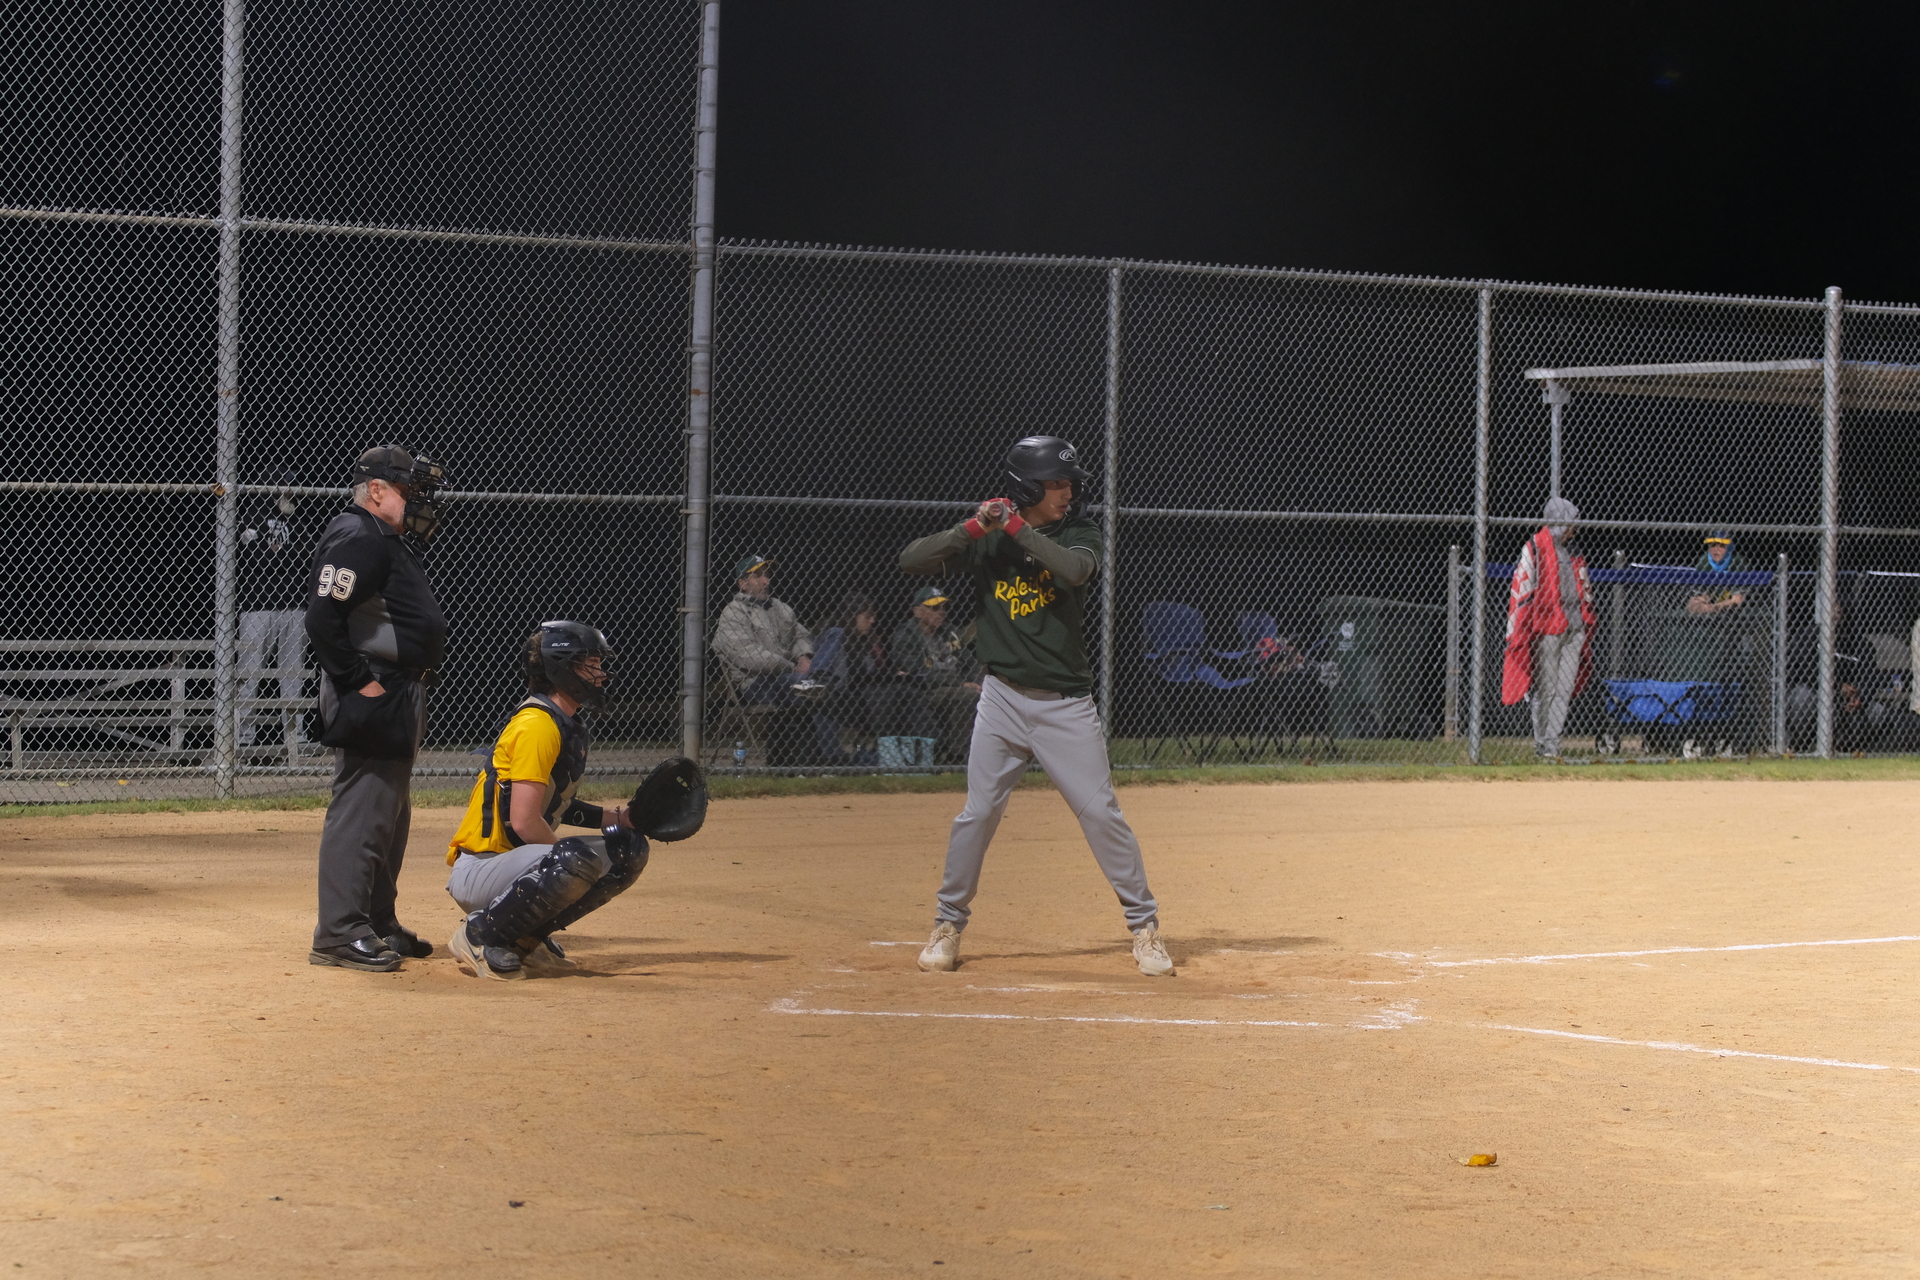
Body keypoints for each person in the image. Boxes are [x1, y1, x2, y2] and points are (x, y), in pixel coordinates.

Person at [899, 435, 1173, 978]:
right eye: (1056, 483)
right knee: (978, 814)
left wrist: (1014, 528)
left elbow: (1074, 570)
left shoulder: (1079, 533)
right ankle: (948, 924)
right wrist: (975, 527)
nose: (1068, 492)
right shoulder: (987, 539)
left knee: (1100, 814)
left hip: (1064, 706)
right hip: (1001, 699)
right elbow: (911, 560)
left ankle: (1145, 928)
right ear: (1026, 487)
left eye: (1070, 482)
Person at [305, 445, 449, 971]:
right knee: (362, 811)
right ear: (376, 490)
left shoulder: (381, 537)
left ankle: (376, 921)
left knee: (388, 812)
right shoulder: (358, 535)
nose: (418, 503)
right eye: (409, 491)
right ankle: (340, 932)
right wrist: (359, 683)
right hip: (375, 686)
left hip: (397, 687)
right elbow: (322, 618)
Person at [444, 623, 646, 980]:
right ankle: (480, 935)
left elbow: (554, 805)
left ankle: (525, 939)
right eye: (591, 665)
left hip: (514, 865)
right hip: (481, 868)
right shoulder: (537, 726)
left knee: (626, 850)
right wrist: (572, 864)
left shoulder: (559, 722)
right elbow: (525, 821)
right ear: (562, 668)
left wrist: (620, 818)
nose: (601, 674)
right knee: (574, 859)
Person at [1502, 496, 1596, 760]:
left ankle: (1552, 746)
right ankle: (1541, 742)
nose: (1573, 530)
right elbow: (1523, 587)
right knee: (1547, 688)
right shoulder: (1536, 546)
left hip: (1574, 628)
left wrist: (1586, 620)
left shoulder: (1573, 550)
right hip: (1547, 627)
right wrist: (1521, 627)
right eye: (1570, 524)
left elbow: (1583, 587)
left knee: (1563, 689)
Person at [236, 469, 310, 751]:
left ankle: (296, 739)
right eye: (286, 488)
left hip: (293, 605)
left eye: (293, 489)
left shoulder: (296, 521)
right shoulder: (252, 516)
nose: (291, 494)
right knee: (249, 673)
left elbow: (307, 556)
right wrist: (282, 555)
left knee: (293, 674)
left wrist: (279, 553)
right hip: (257, 606)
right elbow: (256, 560)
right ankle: (242, 739)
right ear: (272, 489)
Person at [889, 584, 983, 763]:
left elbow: (969, 662)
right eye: (934, 608)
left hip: (956, 685)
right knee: (969, 695)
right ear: (917, 611)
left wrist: (979, 682)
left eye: (943, 607)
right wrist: (961, 683)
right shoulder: (906, 635)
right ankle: (956, 755)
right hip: (926, 690)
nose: (941, 612)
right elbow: (919, 673)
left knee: (984, 693)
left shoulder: (948, 632)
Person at [1687, 529, 1750, 615]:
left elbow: (1738, 600)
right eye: (1713, 545)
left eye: (1721, 546)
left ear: (1730, 547)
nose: (1716, 549)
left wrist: (1712, 607)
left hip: (1737, 613)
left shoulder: (1738, 561)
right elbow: (1699, 597)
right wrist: (1700, 603)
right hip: (1711, 604)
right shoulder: (1704, 561)